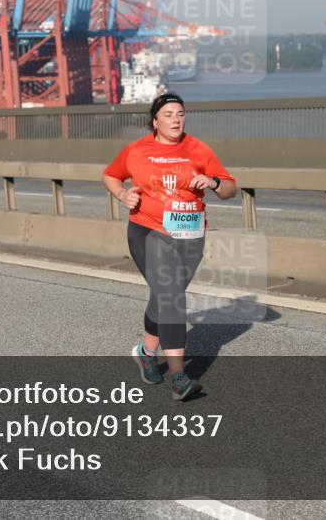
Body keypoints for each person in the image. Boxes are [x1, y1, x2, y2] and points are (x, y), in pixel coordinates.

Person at [102, 92, 237, 400]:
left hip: (190, 235)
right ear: (155, 121)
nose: (175, 119)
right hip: (148, 231)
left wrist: (213, 183)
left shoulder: (199, 149)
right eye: (168, 115)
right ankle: (179, 376)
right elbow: (110, 175)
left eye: (180, 113)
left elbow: (230, 189)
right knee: (172, 296)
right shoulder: (137, 150)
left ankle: (146, 352)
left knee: (165, 296)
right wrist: (123, 196)